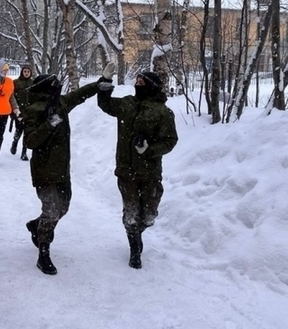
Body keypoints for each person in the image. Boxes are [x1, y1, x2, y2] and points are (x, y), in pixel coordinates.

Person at [23, 64, 114, 275]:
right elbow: (30, 141)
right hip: (44, 169)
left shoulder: (61, 103)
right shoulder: (33, 110)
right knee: (52, 211)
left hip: (62, 168)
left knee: (63, 208)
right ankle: (43, 253)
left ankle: (37, 225)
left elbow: (80, 94)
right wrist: (49, 125)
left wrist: (100, 82)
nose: (59, 88)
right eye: (55, 85)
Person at [97, 70, 178, 269]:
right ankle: (134, 247)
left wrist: (149, 149)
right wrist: (105, 82)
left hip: (150, 172)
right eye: (137, 81)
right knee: (131, 212)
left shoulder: (163, 112)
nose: (137, 84)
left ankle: (138, 232)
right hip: (126, 169)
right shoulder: (127, 104)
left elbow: (170, 140)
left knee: (149, 215)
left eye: (142, 82)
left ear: (151, 85)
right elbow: (105, 104)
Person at [10, 64, 34, 161]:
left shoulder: (33, 83)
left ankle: (24, 153)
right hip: (19, 110)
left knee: (27, 132)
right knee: (19, 129)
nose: (26, 73)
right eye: (25, 71)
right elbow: (11, 96)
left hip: (30, 111)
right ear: (22, 72)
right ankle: (15, 143)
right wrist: (13, 110)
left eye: (28, 72)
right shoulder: (16, 82)